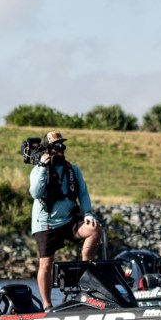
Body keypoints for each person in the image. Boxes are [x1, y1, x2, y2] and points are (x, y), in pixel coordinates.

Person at [29, 130, 102, 310]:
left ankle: (86, 276)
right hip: (46, 223)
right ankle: (47, 305)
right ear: (47, 150)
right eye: (55, 147)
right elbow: (35, 193)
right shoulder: (38, 169)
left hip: (68, 220)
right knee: (46, 263)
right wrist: (43, 167)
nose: (59, 150)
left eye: (62, 146)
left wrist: (88, 213)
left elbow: (83, 192)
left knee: (94, 229)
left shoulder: (72, 170)